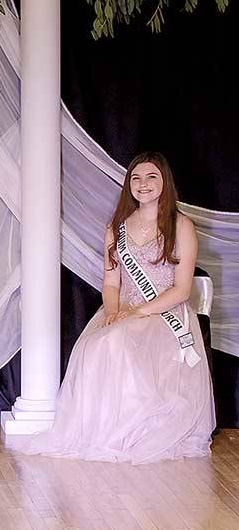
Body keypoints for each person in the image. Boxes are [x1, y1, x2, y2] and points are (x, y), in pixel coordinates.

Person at [16, 152, 214, 463]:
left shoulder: (181, 226)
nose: (143, 184)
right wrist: (112, 312)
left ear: (164, 182)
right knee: (93, 346)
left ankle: (136, 430)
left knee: (119, 341)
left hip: (164, 313)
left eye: (151, 177)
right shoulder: (116, 227)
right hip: (122, 308)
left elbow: (182, 290)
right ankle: (102, 431)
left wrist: (137, 312)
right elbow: (111, 282)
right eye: (136, 178)